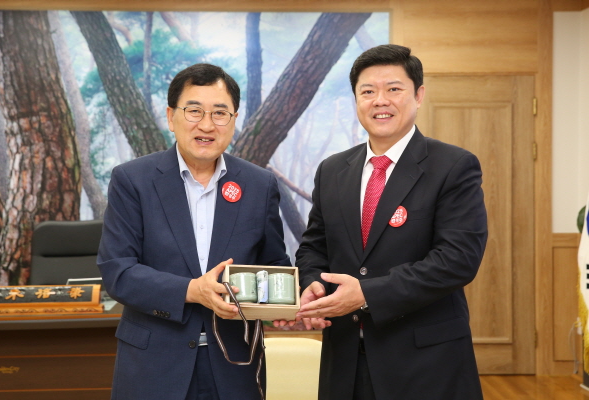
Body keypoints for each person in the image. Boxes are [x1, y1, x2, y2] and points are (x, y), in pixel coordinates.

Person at [295, 44, 488, 400]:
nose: (380, 101)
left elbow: (458, 260)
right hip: (345, 360)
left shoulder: (453, 166)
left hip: (425, 364)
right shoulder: (333, 170)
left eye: (394, 89)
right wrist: (313, 286)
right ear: (356, 100)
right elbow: (314, 246)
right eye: (367, 91)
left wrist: (366, 294)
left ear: (418, 95)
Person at [97, 63, 291, 400]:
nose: (206, 125)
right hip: (154, 366)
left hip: (235, 366)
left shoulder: (259, 185)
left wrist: (287, 305)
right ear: (171, 117)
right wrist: (191, 290)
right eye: (194, 111)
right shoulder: (133, 180)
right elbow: (118, 272)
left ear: (234, 120)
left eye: (220, 113)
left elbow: (273, 265)